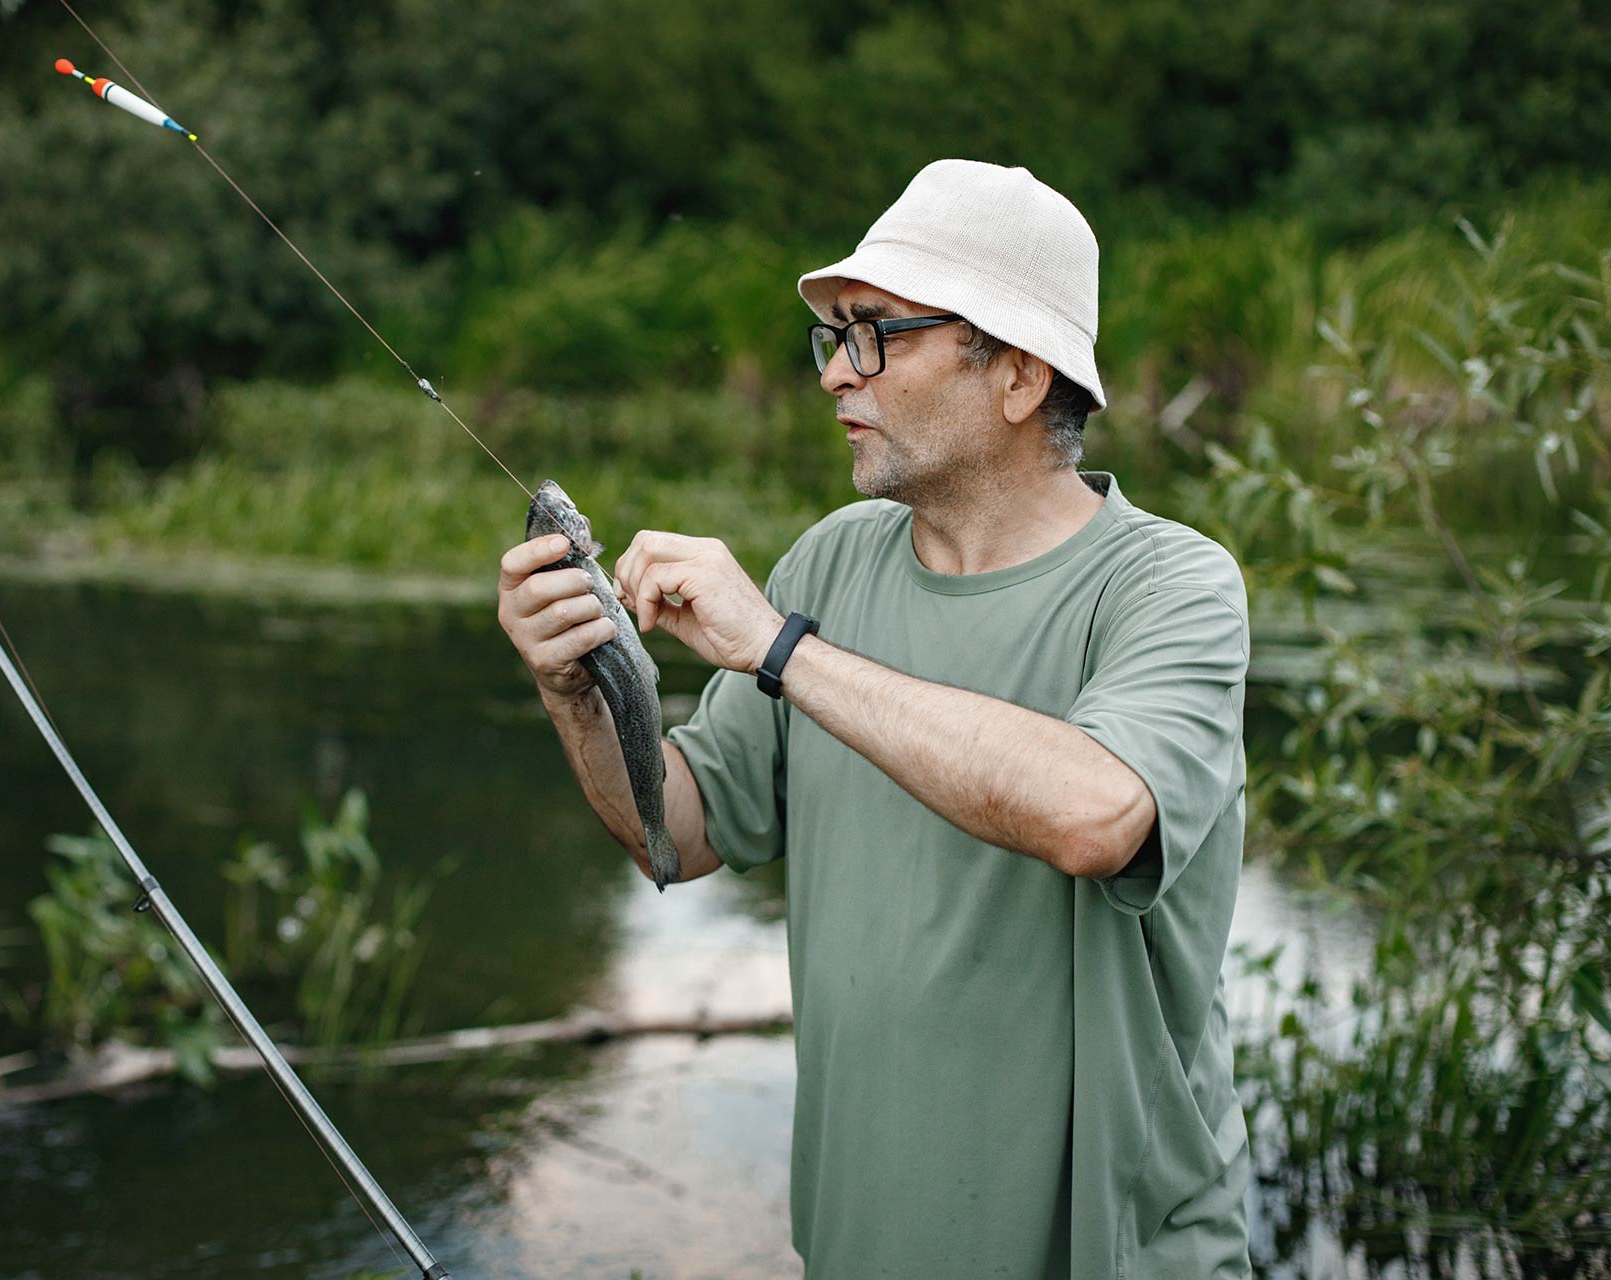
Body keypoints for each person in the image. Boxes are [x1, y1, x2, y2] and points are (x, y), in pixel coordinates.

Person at [496, 159, 1252, 1278]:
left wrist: (779, 647)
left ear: (1019, 375)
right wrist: (576, 687)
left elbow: (1098, 814)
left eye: (877, 335)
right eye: (834, 337)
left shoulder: (1169, 585)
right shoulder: (830, 561)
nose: (837, 375)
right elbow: (678, 829)